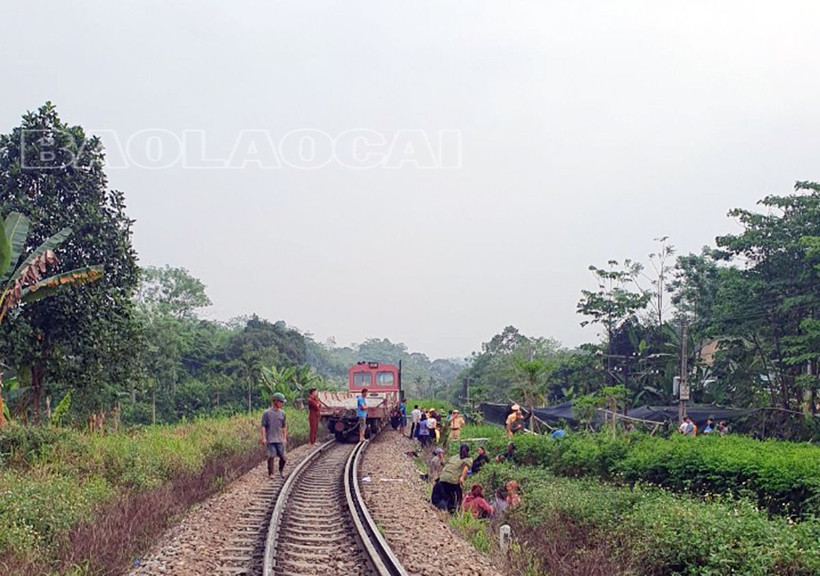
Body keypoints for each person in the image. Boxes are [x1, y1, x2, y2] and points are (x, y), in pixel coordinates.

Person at [435, 444, 472, 513]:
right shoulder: (468, 459)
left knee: (444, 494)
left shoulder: (454, 457)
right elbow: (466, 468)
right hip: (453, 480)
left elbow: (445, 464)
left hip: (443, 477)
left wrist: (441, 458)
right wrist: (462, 477)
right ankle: (454, 510)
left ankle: (441, 507)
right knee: (457, 497)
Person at [260, 392, 288, 479]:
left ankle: (281, 470)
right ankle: (271, 473)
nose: (282, 404)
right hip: (270, 439)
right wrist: (264, 437)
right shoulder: (267, 413)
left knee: (283, 457)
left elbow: (283, 426)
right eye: (281, 402)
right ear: (275, 402)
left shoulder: (283, 413)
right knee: (271, 456)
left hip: (279, 439)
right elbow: (263, 426)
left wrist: (284, 437)